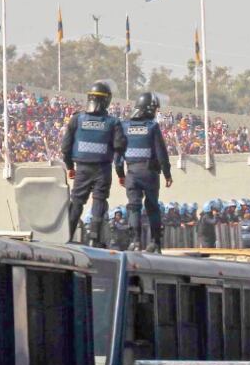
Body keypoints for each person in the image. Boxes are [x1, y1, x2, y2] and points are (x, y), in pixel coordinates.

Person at [60, 81, 126, 247]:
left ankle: (65, 237)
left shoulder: (76, 119)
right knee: (99, 200)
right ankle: (93, 239)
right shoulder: (113, 122)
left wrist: (70, 167)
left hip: (81, 168)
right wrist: (120, 174)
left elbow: (65, 148)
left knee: (76, 202)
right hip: (103, 169)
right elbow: (119, 148)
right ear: (106, 101)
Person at [115, 93, 172, 252]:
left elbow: (118, 154)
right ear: (148, 109)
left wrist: (120, 174)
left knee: (133, 207)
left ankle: (135, 242)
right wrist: (167, 174)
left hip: (132, 173)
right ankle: (155, 243)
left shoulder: (124, 126)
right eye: (154, 109)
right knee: (152, 207)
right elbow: (161, 153)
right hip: (150, 173)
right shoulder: (152, 127)